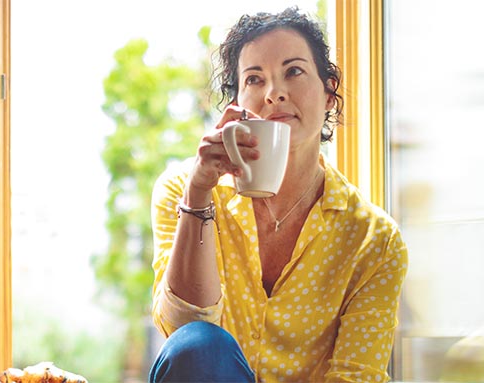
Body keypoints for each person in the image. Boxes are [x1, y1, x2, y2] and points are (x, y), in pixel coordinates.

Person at [148, 7, 408, 383]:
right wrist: (199, 192)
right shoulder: (183, 189)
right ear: (237, 104)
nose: (274, 94)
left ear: (329, 92)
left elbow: (357, 377)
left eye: (293, 71)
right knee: (199, 343)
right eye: (254, 79)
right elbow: (183, 335)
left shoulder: (374, 241)